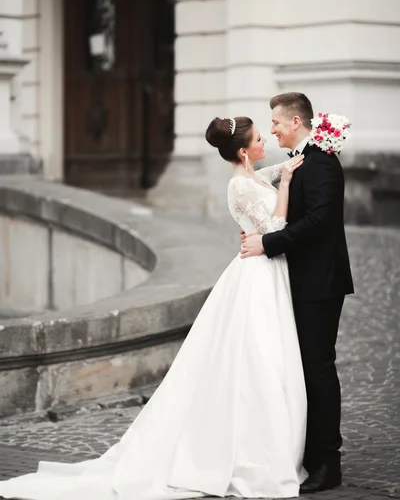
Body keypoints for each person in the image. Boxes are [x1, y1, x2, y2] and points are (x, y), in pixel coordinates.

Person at [0, 117, 307, 500]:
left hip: (264, 274)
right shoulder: (239, 186)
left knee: (266, 355)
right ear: (244, 151)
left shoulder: (253, 176)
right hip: (257, 275)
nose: (266, 143)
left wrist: (296, 161)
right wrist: (289, 185)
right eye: (261, 139)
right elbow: (276, 225)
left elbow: (269, 174)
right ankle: (251, 449)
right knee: (257, 357)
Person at [241, 93, 354, 494]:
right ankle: (307, 454)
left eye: (274, 122)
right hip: (300, 279)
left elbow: (322, 220)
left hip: (319, 283)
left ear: (294, 122)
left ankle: (329, 462)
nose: (270, 129)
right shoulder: (301, 160)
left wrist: (268, 245)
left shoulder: (321, 161)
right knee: (302, 369)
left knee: (317, 368)